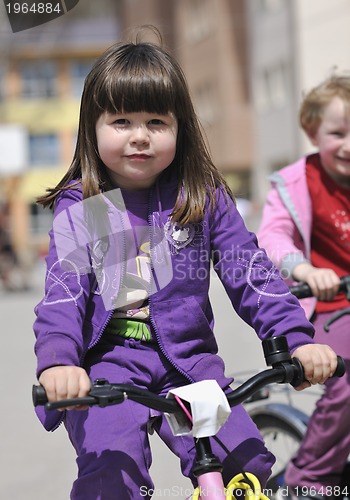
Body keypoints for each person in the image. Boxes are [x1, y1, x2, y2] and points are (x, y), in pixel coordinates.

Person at [33, 33, 338, 500]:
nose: (140, 135)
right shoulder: (88, 203)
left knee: (245, 462)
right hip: (111, 369)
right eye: (121, 121)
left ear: (181, 127)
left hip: (188, 366)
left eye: (156, 120)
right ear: (91, 128)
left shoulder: (199, 197)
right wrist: (59, 361)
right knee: (111, 473)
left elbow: (250, 271)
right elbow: (65, 291)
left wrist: (298, 340)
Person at [258, 73, 350, 499]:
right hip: (329, 307)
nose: (349, 144)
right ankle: (307, 476)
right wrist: (306, 270)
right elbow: (273, 236)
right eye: (337, 133)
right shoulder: (297, 181)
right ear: (313, 131)